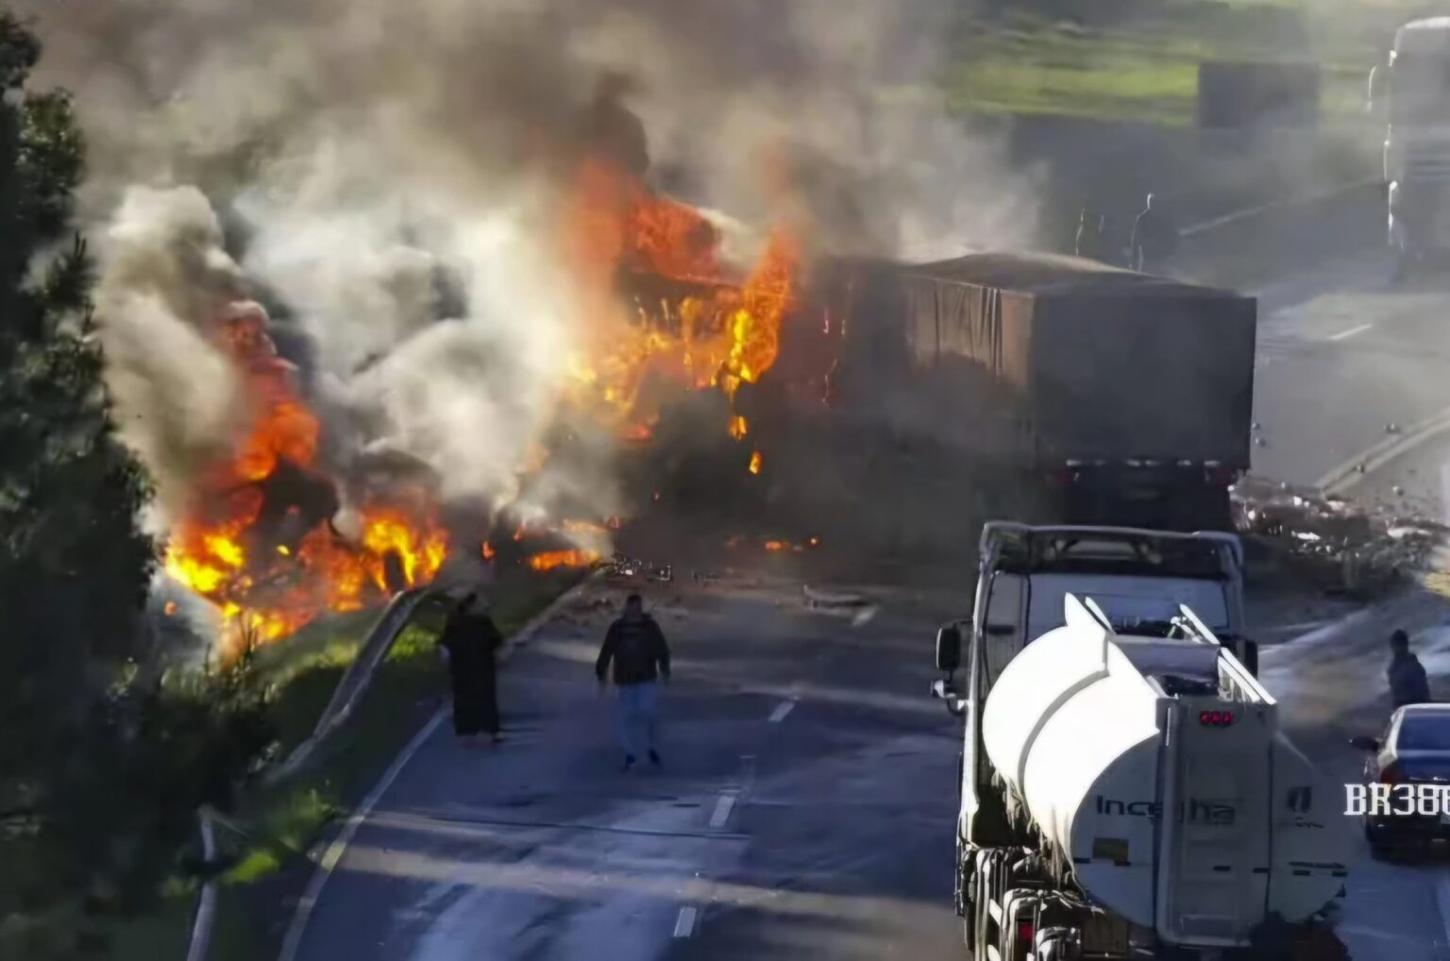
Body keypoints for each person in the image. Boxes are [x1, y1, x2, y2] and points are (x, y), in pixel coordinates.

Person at [595, 593, 671, 771]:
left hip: (646, 678)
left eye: (637, 608)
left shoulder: (650, 627)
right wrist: (601, 673)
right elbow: (607, 651)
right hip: (625, 681)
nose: (634, 612)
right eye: (631, 608)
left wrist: (665, 669)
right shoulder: (617, 629)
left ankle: (651, 747)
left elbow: (662, 649)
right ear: (627, 608)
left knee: (648, 712)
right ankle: (630, 753)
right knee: (624, 718)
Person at [439, 591, 505, 744]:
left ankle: (469, 730)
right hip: (480, 666)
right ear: (472, 605)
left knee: (466, 697)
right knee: (484, 697)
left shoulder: (456, 622)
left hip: (465, 667)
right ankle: (489, 730)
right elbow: (496, 640)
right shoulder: (480, 622)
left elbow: (445, 644)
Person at [1130, 192, 1179, 274]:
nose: (1152, 205)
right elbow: (1136, 240)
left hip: (1162, 257)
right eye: (1150, 202)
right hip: (1148, 258)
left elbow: (1172, 235)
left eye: (1154, 203)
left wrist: (1172, 252)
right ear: (1148, 203)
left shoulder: (1165, 218)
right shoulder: (1142, 219)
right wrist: (1134, 259)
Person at [1387, 629, 1432, 708]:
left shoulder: (1413, 667)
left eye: (1396, 645)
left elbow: (1422, 695)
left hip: (1413, 710)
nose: (1393, 649)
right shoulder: (1393, 667)